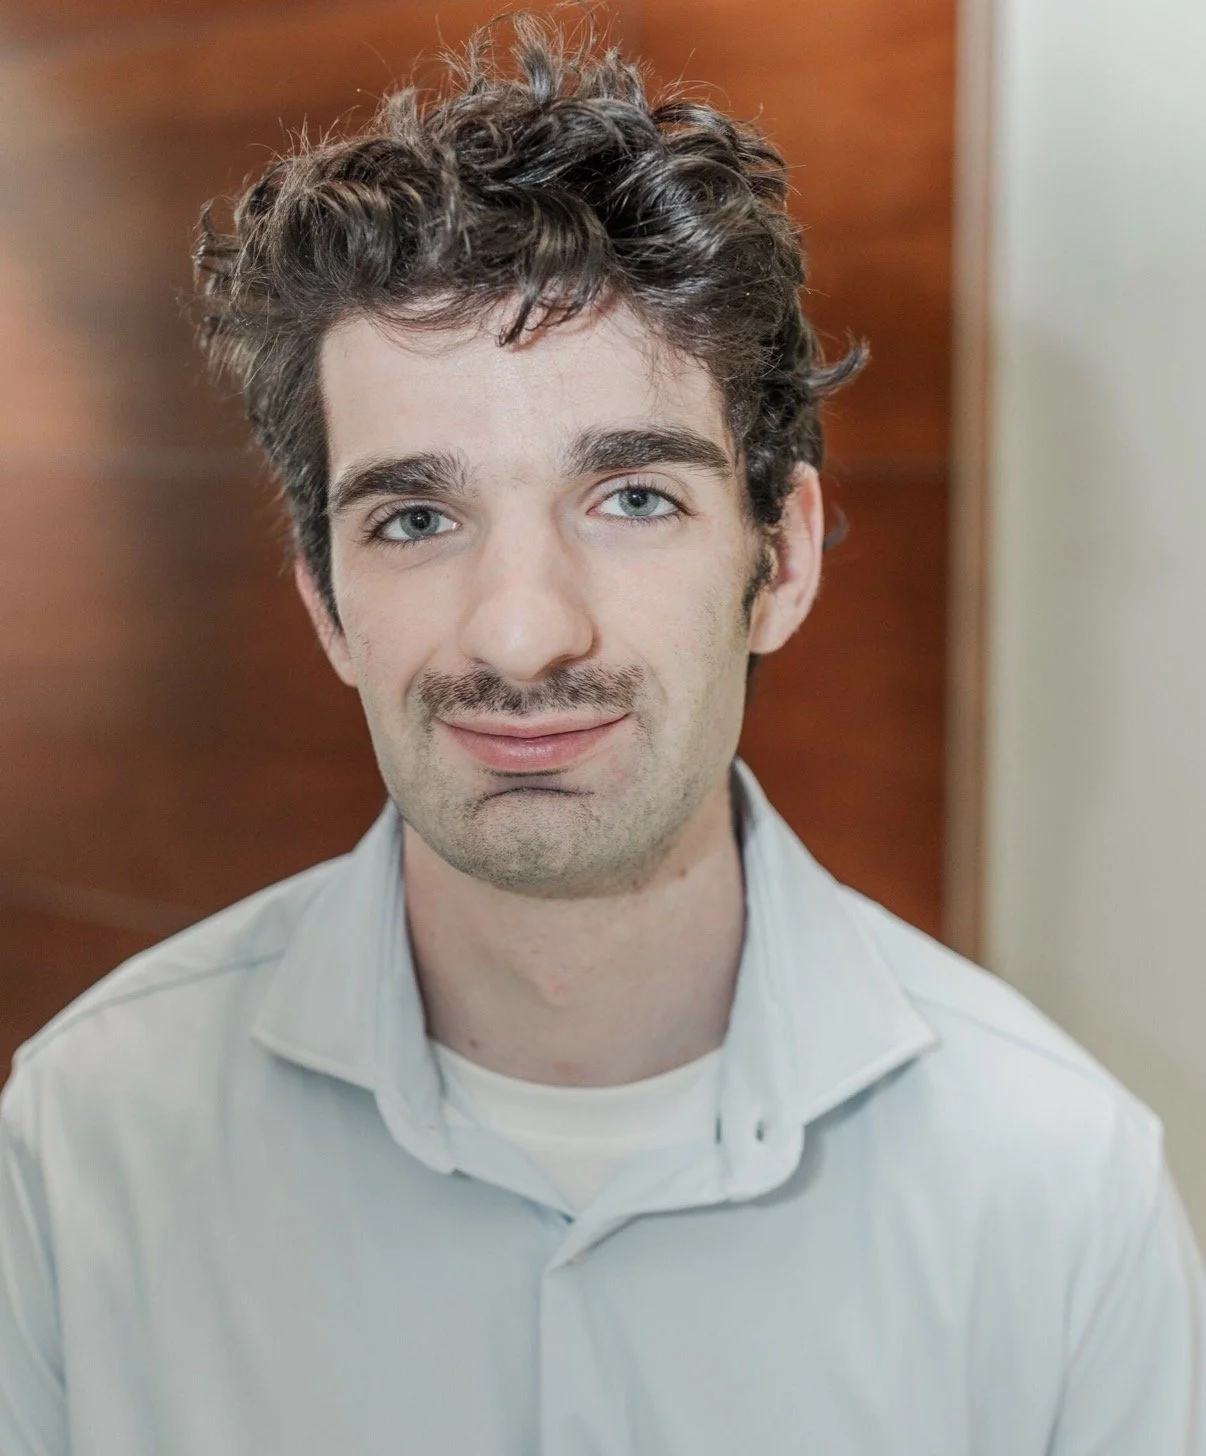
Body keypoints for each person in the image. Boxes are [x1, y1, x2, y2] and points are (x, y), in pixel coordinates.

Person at [1, 15, 1203, 1454]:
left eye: (632, 497)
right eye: (416, 517)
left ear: (784, 558)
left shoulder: (1057, 1186)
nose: (521, 633)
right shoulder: (88, 1138)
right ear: (325, 601)